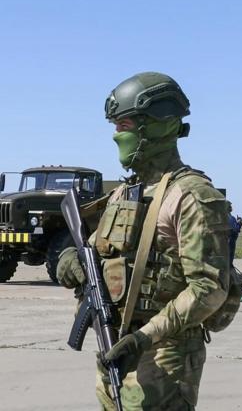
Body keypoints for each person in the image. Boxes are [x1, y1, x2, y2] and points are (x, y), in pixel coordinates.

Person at [57, 72, 231, 410]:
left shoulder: (191, 196)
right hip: (114, 346)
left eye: (124, 125)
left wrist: (142, 338)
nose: (116, 135)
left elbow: (209, 289)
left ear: (158, 124)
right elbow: (94, 254)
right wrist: (70, 263)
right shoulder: (125, 192)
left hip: (163, 355)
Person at [227, 201, 242, 266]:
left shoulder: (222, 217)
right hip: (230, 239)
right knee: (230, 254)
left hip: (226, 239)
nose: (231, 207)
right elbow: (236, 229)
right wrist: (239, 222)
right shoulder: (230, 218)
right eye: (229, 206)